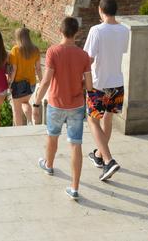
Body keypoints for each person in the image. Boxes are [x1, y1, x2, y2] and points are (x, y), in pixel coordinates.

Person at [33, 16, 94, 201]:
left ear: (60, 31)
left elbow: (46, 80)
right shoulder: (83, 55)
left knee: (52, 136)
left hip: (56, 103)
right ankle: (74, 188)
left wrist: (36, 103)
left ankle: (49, 165)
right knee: (75, 143)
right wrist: (78, 82)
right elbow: (90, 86)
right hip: (76, 104)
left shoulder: (53, 52)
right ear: (77, 33)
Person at [84, 0, 130, 183]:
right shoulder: (124, 30)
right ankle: (99, 155)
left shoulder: (96, 30)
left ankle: (109, 160)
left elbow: (89, 59)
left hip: (98, 83)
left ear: (100, 10)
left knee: (93, 121)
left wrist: (82, 79)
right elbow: (122, 51)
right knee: (107, 120)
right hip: (116, 82)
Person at [8, 27, 41, 126]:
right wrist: (42, 82)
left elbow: (13, 69)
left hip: (18, 84)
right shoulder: (35, 50)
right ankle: (30, 121)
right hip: (31, 83)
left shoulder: (15, 50)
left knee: (17, 110)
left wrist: (10, 83)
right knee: (25, 102)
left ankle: (19, 131)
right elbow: (38, 68)